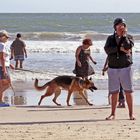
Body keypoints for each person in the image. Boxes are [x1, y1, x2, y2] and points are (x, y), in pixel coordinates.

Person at [104, 18, 135, 120]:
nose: (122, 26)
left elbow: (128, 46)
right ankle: (113, 114)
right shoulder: (110, 38)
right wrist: (119, 49)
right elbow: (107, 50)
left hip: (126, 67)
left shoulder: (129, 37)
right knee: (114, 92)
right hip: (113, 68)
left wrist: (124, 36)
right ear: (115, 26)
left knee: (128, 91)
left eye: (123, 25)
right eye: (119, 25)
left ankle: (131, 114)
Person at [73, 38, 97, 105]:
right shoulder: (80, 48)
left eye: (89, 45)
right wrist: (78, 62)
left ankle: (84, 88)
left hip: (86, 64)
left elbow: (89, 55)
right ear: (85, 43)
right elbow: (76, 56)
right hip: (80, 63)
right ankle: (78, 89)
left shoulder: (88, 49)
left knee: (86, 77)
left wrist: (93, 61)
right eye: (88, 45)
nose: (89, 46)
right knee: (79, 77)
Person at [0, 30, 11, 105]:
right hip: (2, 67)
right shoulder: (2, 45)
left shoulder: (2, 44)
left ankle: (1, 102)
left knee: (2, 85)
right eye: (6, 37)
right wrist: (4, 69)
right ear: (1, 37)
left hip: (3, 65)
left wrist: (10, 64)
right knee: (8, 84)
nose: (7, 38)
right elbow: (2, 58)